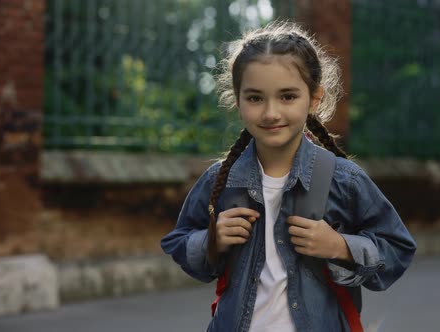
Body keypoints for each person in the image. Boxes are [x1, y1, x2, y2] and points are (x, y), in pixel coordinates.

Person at [161, 21, 416, 332]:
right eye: (255, 98)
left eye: (287, 97)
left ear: (315, 98)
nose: (271, 113)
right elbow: (179, 241)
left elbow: (398, 247)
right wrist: (211, 241)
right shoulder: (222, 178)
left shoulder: (342, 179)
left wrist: (339, 246)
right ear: (237, 100)